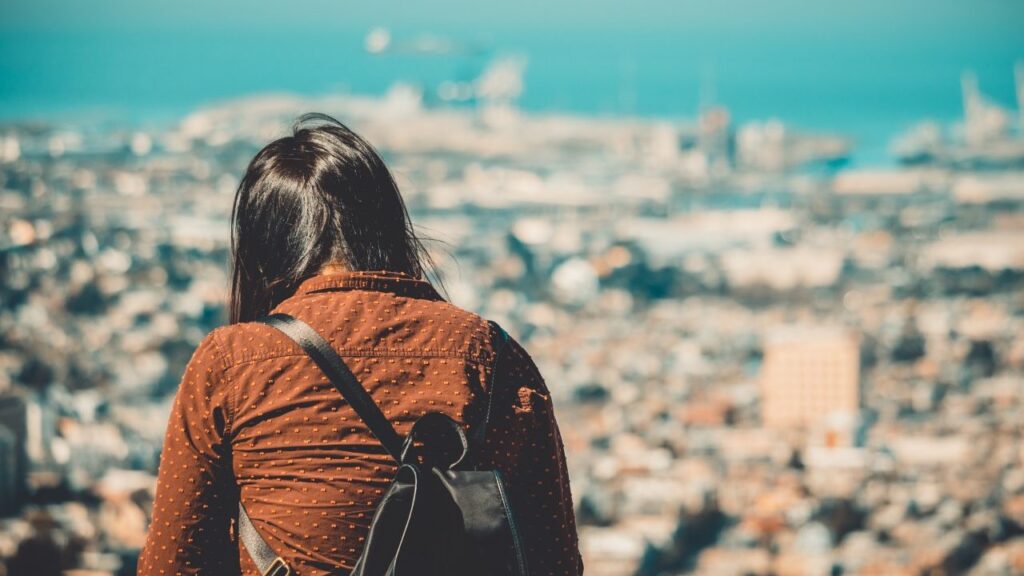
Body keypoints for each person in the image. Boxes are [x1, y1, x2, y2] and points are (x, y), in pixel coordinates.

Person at [137, 113, 583, 575]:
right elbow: (554, 559)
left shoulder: (232, 363)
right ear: (389, 227)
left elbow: (172, 564)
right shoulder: (487, 355)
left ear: (263, 250)